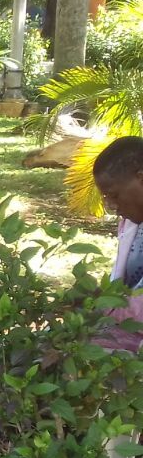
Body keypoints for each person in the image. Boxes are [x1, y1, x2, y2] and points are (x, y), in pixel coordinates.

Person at [92, 136, 143, 352]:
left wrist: (102, 303)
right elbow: (126, 283)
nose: (111, 205)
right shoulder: (131, 224)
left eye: (113, 195)